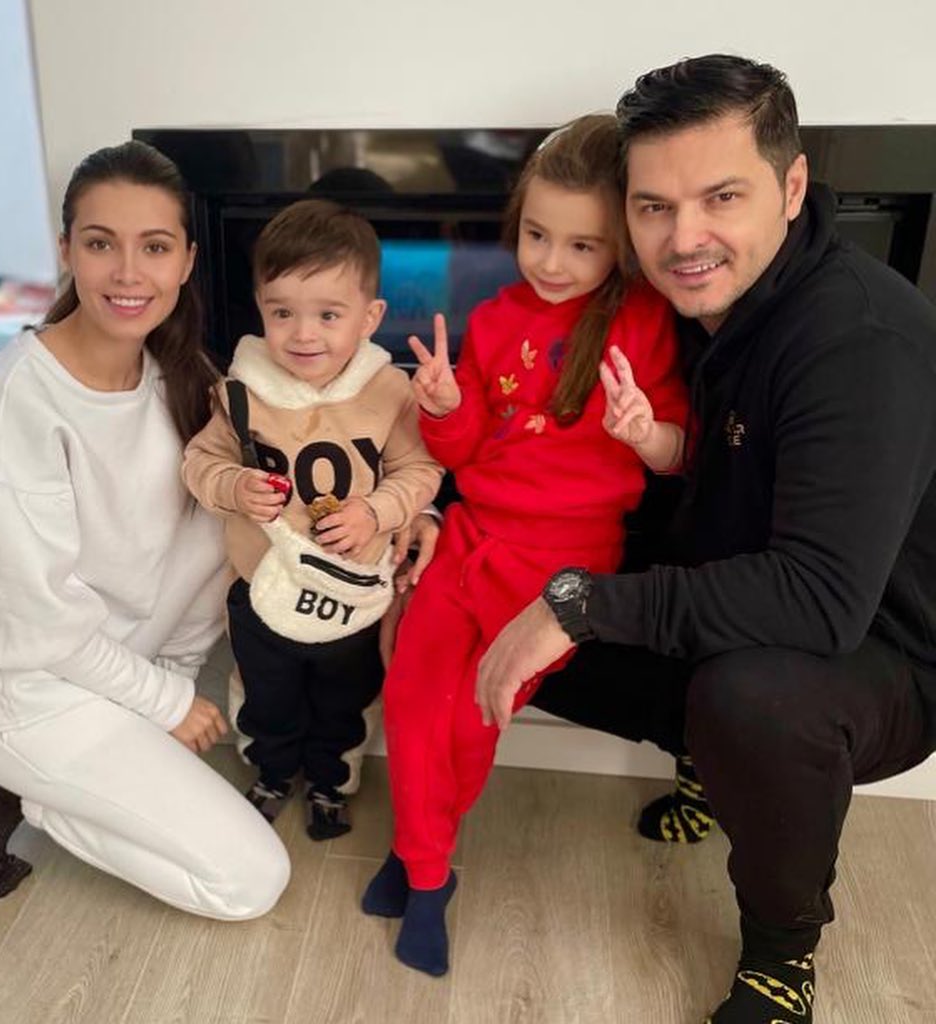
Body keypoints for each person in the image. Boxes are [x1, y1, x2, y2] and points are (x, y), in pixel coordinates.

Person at [476, 55, 936, 1024]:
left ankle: (780, 954)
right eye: (653, 207)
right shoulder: (692, 306)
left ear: (792, 187)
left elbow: (819, 600)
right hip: (748, 586)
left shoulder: (857, 340)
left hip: (887, 650)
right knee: (496, 597)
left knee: (748, 698)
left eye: (722, 197)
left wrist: (579, 604)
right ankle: (712, 761)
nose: (684, 239)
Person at [362, 115, 690, 976]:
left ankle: (419, 863)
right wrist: (443, 406)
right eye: (537, 235)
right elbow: (467, 447)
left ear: (621, 245)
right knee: (412, 698)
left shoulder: (645, 322)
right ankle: (425, 870)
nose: (551, 262)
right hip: (473, 537)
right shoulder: (495, 315)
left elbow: (679, 453)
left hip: (562, 570)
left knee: (474, 717)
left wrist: (645, 432)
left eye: (582, 246)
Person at [0, 140, 290, 919]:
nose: (128, 273)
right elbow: (36, 627)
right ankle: (19, 789)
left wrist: (404, 513)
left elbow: (214, 538)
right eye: (101, 244)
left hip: (120, 665)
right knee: (250, 882)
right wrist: (165, 703)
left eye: (153, 247)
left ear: (187, 260)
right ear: (66, 251)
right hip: (29, 690)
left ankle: (76, 773)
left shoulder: (182, 374)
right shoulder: (14, 408)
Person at [182, 199, 443, 842]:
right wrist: (235, 487)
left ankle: (331, 780)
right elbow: (198, 463)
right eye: (282, 314)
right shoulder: (238, 395)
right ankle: (271, 772)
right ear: (260, 309)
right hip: (261, 586)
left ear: (369, 317)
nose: (304, 335)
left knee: (345, 699)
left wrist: (375, 511)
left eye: (328, 315)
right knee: (265, 693)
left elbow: (421, 470)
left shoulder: (389, 392)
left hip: (354, 595)